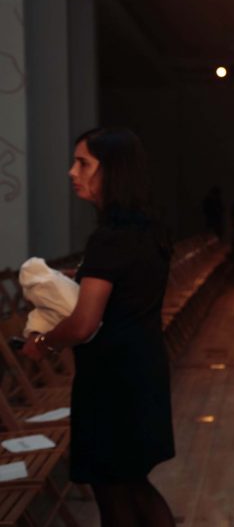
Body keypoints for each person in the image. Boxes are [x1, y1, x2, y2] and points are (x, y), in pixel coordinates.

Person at [23, 128, 176, 527]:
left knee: (115, 495)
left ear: (112, 171)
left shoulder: (109, 239)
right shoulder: (147, 230)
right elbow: (126, 287)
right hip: (143, 369)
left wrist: (43, 343)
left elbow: (83, 324)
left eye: (83, 163)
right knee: (133, 485)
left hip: (112, 381)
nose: (72, 172)